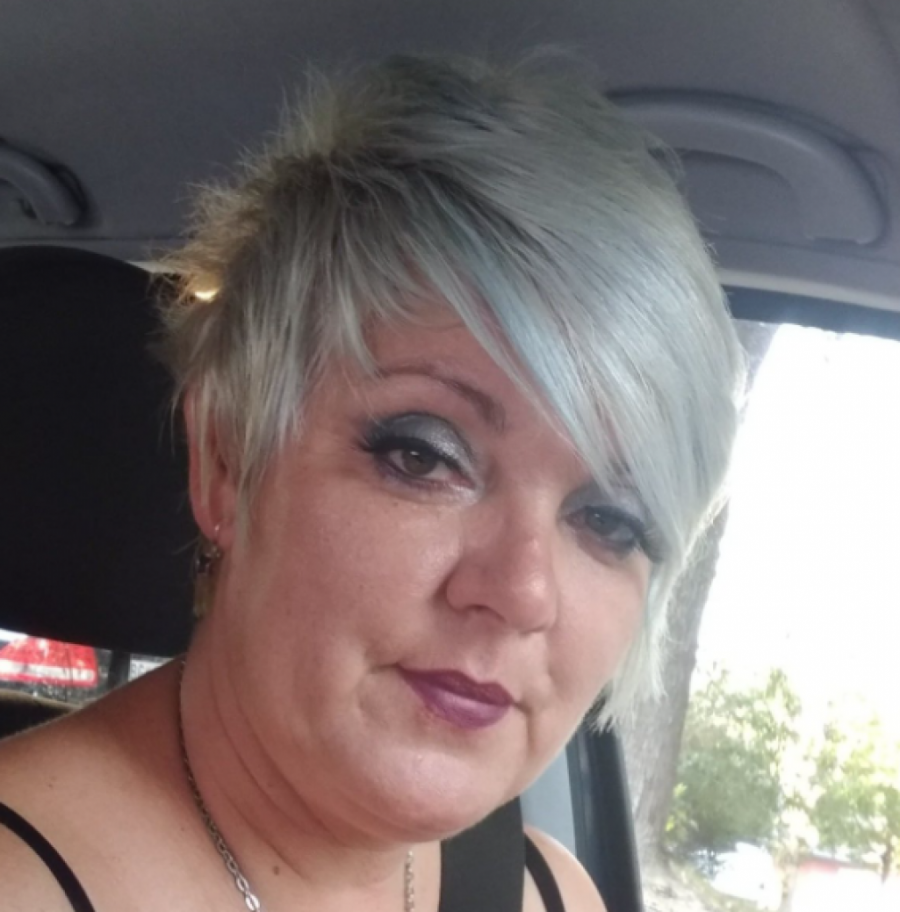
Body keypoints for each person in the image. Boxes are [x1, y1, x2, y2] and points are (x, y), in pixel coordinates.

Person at [0, 54, 742, 911]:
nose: (523, 592)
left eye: (610, 521)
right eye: (423, 456)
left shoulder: (552, 893)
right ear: (227, 460)